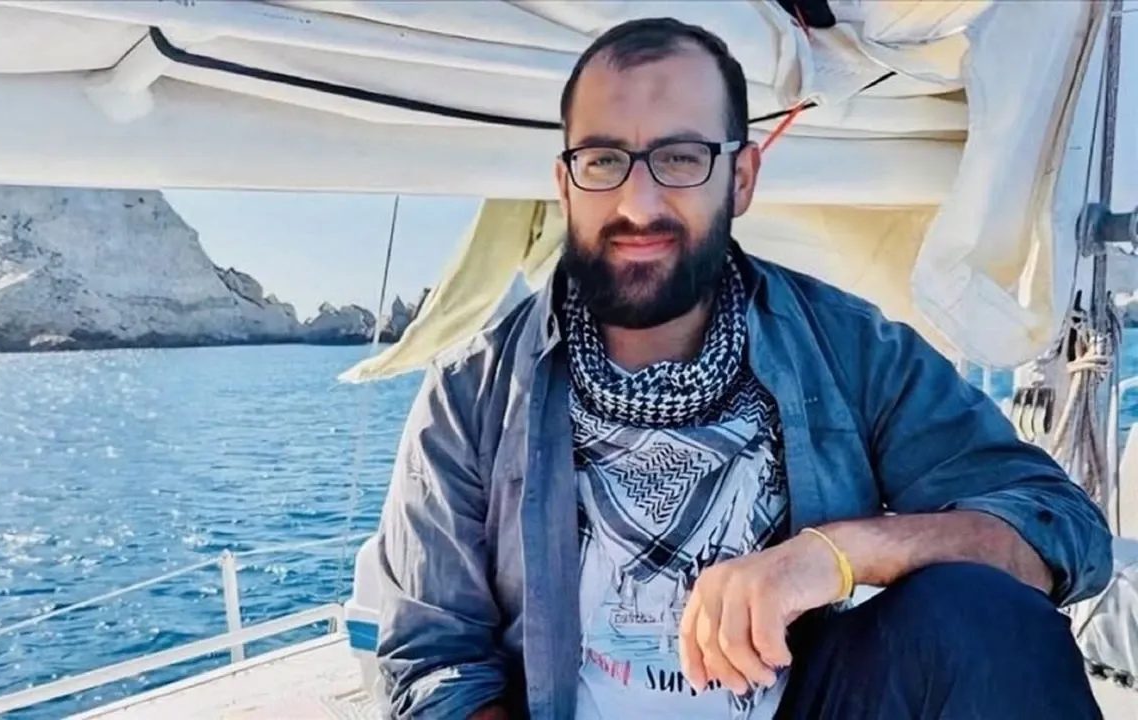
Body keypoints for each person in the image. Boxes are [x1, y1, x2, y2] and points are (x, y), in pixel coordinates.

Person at [374, 16, 1114, 720]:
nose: (638, 203)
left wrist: (835, 555)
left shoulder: (850, 350)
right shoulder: (470, 395)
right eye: (602, 160)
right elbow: (435, 662)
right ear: (565, 184)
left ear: (743, 176)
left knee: (986, 619)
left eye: (681, 157)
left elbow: (1063, 530)